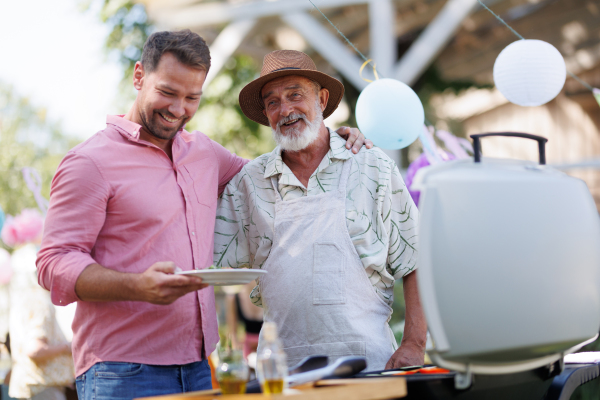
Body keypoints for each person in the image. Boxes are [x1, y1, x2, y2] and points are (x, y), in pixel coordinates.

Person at [36, 30, 369, 399]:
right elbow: (53, 263)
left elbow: (276, 173)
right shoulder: (90, 162)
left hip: (200, 367)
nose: (178, 109)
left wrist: (327, 139)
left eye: (191, 97)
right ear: (138, 77)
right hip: (121, 371)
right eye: (167, 92)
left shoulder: (205, 153)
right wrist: (136, 286)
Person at [214, 50, 428, 371]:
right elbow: (206, 258)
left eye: (295, 95)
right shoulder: (250, 181)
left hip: (369, 364)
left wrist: (414, 343)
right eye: (272, 102)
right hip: (283, 371)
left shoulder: (372, 166)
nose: (285, 109)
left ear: (322, 99)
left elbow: (417, 260)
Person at [4, 210, 73, 400]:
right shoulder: (39, 301)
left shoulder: (23, 298)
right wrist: (68, 347)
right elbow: (34, 349)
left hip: (32, 385)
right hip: (41, 387)